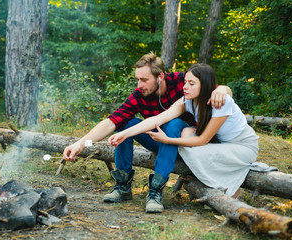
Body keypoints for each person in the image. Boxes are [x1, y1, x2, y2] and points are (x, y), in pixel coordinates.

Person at [63, 53, 232, 213]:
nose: (139, 85)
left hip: (188, 145)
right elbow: (111, 121)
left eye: (144, 80)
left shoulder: (183, 82)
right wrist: (80, 143)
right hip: (159, 141)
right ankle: (123, 187)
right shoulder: (140, 95)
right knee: (125, 122)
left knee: (174, 123)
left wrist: (223, 89)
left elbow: (217, 89)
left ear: (160, 77)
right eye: (137, 79)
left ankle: (155, 190)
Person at [108, 63, 259, 205]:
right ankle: (123, 187)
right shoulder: (187, 101)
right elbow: (157, 119)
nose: (185, 87)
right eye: (185, 82)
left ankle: (227, 188)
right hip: (220, 144)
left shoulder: (221, 101)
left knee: (186, 142)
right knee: (182, 133)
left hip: (242, 146)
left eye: (191, 84)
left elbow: (202, 140)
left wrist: (167, 140)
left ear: (205, 85)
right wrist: (125, 134)